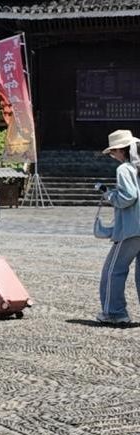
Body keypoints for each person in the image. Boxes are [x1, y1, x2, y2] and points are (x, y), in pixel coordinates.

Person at [93, 129, 140, 325]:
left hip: (132, 228)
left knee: (114, 270)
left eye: (113, 152)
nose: (113, 156)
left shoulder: (125, 169)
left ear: (121, 150)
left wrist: (109, 195)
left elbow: (128, 197)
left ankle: (115, 312)